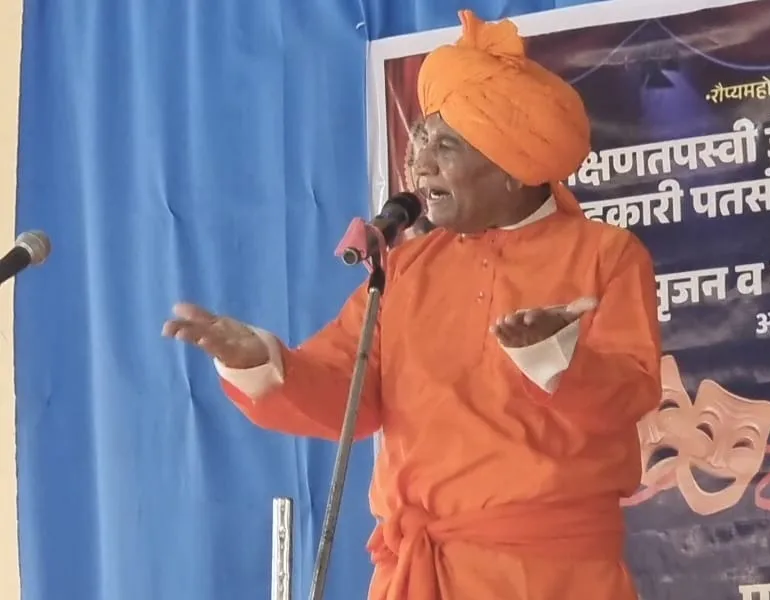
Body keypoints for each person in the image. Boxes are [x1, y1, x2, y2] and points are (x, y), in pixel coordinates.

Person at [162, 9, 661, 600]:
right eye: (420, 139)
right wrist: (261, 363)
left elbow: (630, 393)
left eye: (445, 146)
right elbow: (347, 392)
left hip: (552, 578)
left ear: (514, 167)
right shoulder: (402, 269)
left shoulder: (604, 255)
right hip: (419, 577)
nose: (419, 165)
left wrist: (557, 356)